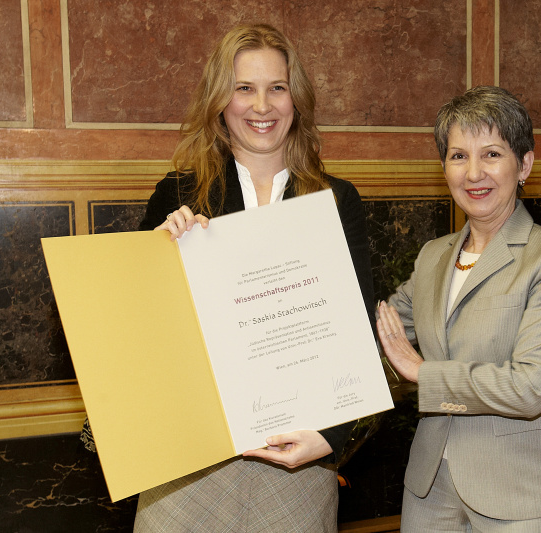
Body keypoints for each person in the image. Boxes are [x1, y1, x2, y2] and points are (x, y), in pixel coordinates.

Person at [131, 24, 375, 532]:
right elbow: (136, 331)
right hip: (190, 464)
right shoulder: (177, 194)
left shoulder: (336, 201)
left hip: (297, 464)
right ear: (221, 101)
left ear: (297, 99)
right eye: (244, 88)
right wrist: (157, 258)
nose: (261, 105)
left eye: (277, 87)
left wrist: (331, 435)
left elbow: (359, 337)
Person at [376, 85, 541, 532]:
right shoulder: (433, 255)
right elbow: (382, 329)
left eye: (491, 154)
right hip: (430, 487)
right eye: (458, 156)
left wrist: (423, 373)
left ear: (524, 164)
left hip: (523, 491)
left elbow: (531, 388)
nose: (474, 173)